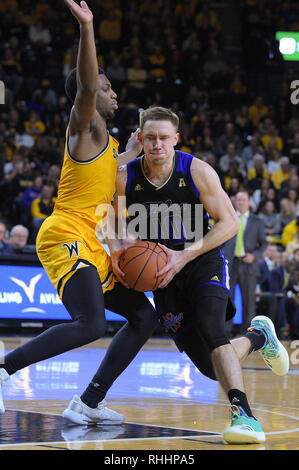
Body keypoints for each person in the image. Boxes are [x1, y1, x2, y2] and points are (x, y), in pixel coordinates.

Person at [0, 0, 159, 426]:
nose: (114, 93)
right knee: (90, 324)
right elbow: (86, 87)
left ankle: (89, 401)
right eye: (107, 88)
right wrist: (87, 29)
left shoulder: (106, 148)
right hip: (66, 234)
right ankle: (2, 370)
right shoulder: (85, 128)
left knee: (144, 315)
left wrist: (129, 154)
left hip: (93, 243)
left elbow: (110, 172)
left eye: (110, 88)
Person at [97, 106, 288, 444]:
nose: (157, 144)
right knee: (210, 366)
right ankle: (258, 336)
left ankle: (244, 416)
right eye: (151, 138)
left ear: (176, 140)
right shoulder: (125, 177)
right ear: (140, 139)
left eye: (164, 138)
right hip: (162, 273)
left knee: (212, 328)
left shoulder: (196, 170)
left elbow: (228, 223)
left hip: (201, 258)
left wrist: (183, 255)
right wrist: (115, 252)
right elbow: (111, 219)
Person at [223, 191, 267, 334]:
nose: (240, 202)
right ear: (235, 202)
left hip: (248, 264)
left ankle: (249, 333)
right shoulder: (227, 218)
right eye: (238, 200)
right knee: (228, 300)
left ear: (249, 203)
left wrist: (254, 255)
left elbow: (264, 243)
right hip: (231, 263)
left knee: (249, 301)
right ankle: (226, 331)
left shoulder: (257, 221)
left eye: (243, 200)